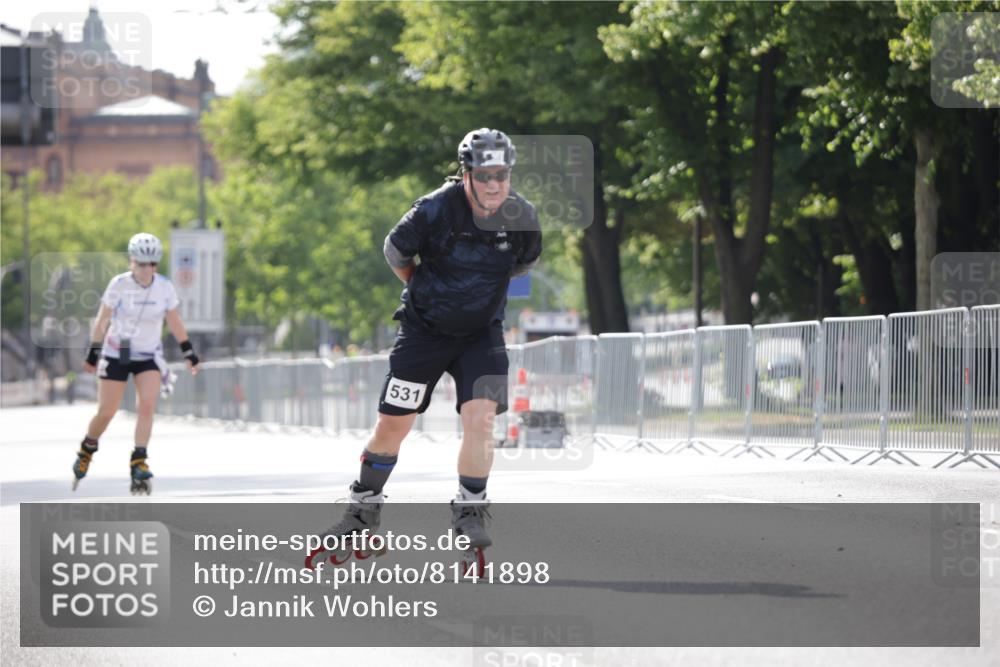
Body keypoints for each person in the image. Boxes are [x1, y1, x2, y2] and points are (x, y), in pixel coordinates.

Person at [308, 128, 541, 568]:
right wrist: (428, 290)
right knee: (394, 424)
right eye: (485, 175)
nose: (494, 185)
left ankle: (470, 508)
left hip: (481, 335)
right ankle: (363, 506)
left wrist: (475, 295)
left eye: (502, 175)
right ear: (466, 173)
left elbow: (523, 263)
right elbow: (395, 252)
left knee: (481, 417)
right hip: (423, 332)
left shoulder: (522, 216)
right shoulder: (434, 209)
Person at [72, 232, 201, 495]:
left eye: (152, 264)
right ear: (132, 261)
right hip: (116, 352)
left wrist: (189, 352)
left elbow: (174, 321)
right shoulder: (119, 285)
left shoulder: (164, 287)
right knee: (107, 411)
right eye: (142, 264)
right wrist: (93, 354)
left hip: (147, 355)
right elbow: (102, 320)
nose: (147, 269)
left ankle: (139, 460)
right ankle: (87, 448)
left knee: (148, 405)